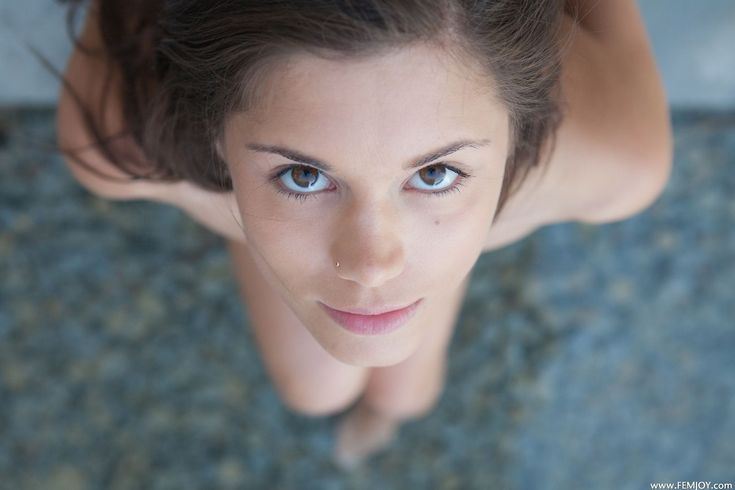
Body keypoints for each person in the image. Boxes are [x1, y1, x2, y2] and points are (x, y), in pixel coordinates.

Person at [55, 0, 673, 469]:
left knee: (402, 394)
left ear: (517, 123)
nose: (373, 262)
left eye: (436, 172)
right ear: (213, 134)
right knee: (315, 389)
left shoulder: (619, 160)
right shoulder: (116, 141)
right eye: (301, 174)